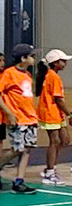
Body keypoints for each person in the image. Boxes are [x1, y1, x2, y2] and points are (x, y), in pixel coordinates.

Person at [0, 45, 40, 192]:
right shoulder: (9, 74)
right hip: (18, 118)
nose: (34, 59)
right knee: (17, 148)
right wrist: (9, 113)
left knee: (26, 149)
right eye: (31, 56)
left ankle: (19, 181)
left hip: (29, 118)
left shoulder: (28, 76)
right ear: (23, 58)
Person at [37, 49, 71, 186]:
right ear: (56, 63)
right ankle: (50, 172)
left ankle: (50, 167)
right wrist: (70, 114)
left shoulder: (53, 75)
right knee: (55, 141)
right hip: (50, 113)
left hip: (57, 113)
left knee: (65, 140)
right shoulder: (53, 76)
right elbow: (58, 99)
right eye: (63, 60)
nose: (65, 63)